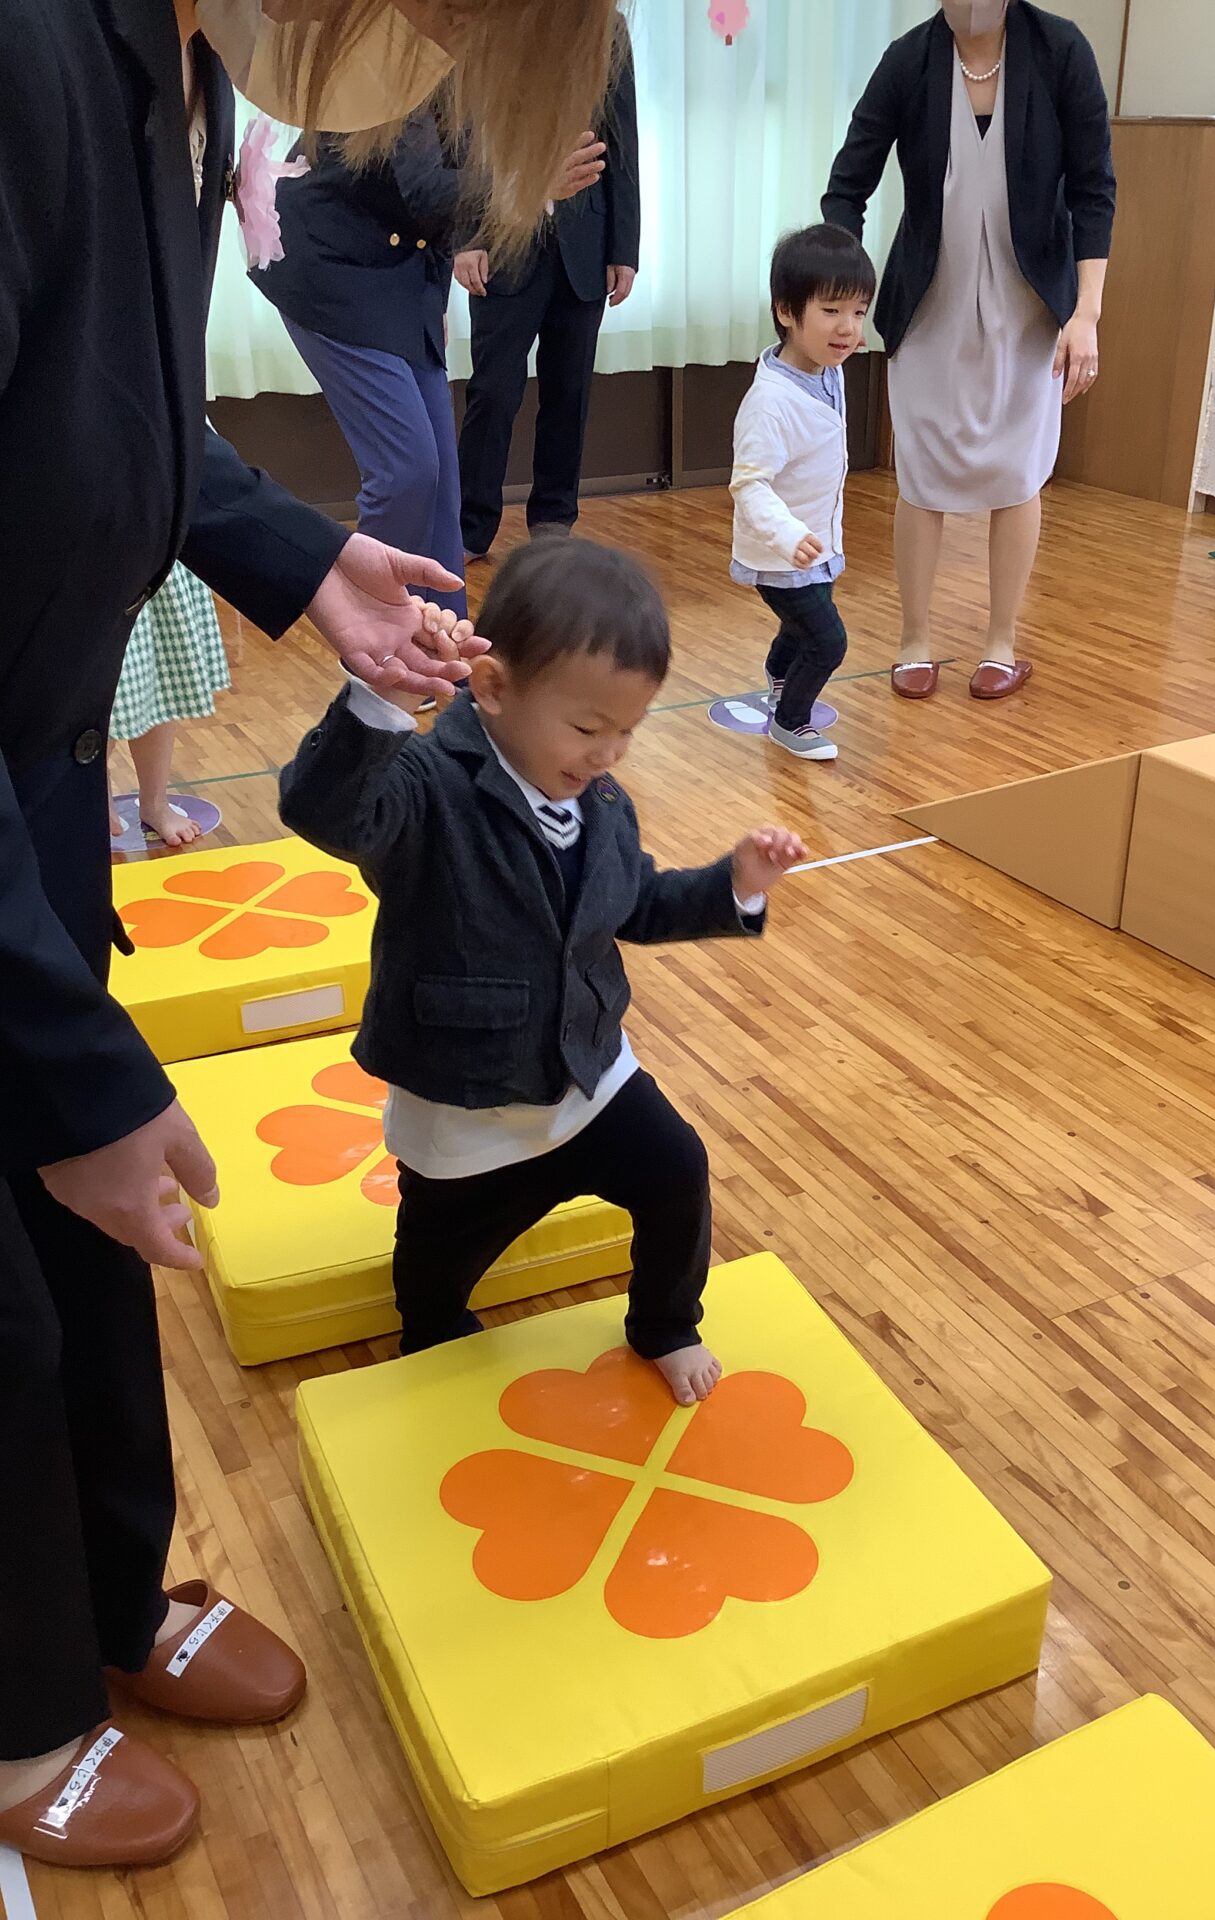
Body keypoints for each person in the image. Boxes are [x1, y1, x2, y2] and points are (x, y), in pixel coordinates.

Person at [0, 0, 621, 1872]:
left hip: (35, 761)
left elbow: (111, 409)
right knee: (11, 1278)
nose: (422, 59)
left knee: (87, 1252)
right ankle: (21, 1717)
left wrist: (306, 558)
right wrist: (70, 1071)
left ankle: (114, 1603)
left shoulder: (173, 72)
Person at [278, 540, 807, 1406]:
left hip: (588, 1077)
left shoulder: (600, 801)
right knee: (436, 1268)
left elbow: (636, 903)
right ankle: (434, 1330)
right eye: (589, 729)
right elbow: (326, 811)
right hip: (468, 1103)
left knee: (677, 1169)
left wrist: (734, 887)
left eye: (628, 731)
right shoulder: (427, 784)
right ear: (492, 687)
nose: (609, 754)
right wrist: (380, 701)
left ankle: (666, 1323)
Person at [823, 0, 1115, 703]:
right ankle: (914, 641)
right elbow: (847, 186)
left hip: (1029, 307)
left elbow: (1094, 189)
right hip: (931, 300)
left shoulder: (1060, 50)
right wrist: (845, 296)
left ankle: (1000, 644)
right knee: (922, 472)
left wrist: (1086, 312)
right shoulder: (909, 59)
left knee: (1018, 470)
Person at [250, 107, 473, 620]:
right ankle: (378, 639)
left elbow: (434, 195)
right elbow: (426, 192)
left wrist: (434, 300)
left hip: (401, 275)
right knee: (406, 471)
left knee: (439, 479)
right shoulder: (408, 68)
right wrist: (522, 185)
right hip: (331, 271)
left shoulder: (468, 81)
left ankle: (444, 643)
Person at [455, 23, 640, 560]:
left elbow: (622, 141)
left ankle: (554, 521)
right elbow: (461, 137)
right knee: (493, 392)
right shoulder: (485, 21)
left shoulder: (606, 28)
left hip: (586, 243)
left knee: (569, 391)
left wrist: (624, 248)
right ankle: (469, 528)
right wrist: (466, 237)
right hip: (502, 239)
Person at [730, 225, 874, 763]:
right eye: (831, 311)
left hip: (818, 541)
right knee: (827, 640)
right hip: (783, 551)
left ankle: (778, 676)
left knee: (801, 626)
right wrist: (787, 535)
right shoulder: (769, 403)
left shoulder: (826, 370)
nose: (848, 327)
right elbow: (749, 484)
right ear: (786, 312)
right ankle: (791, 721)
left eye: (858, 312)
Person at [109, 564, 231, 847]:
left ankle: (155, 802)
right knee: (97, 695)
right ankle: (96, 799)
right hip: (91, 568)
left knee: (161, 686)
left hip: (158, 563)